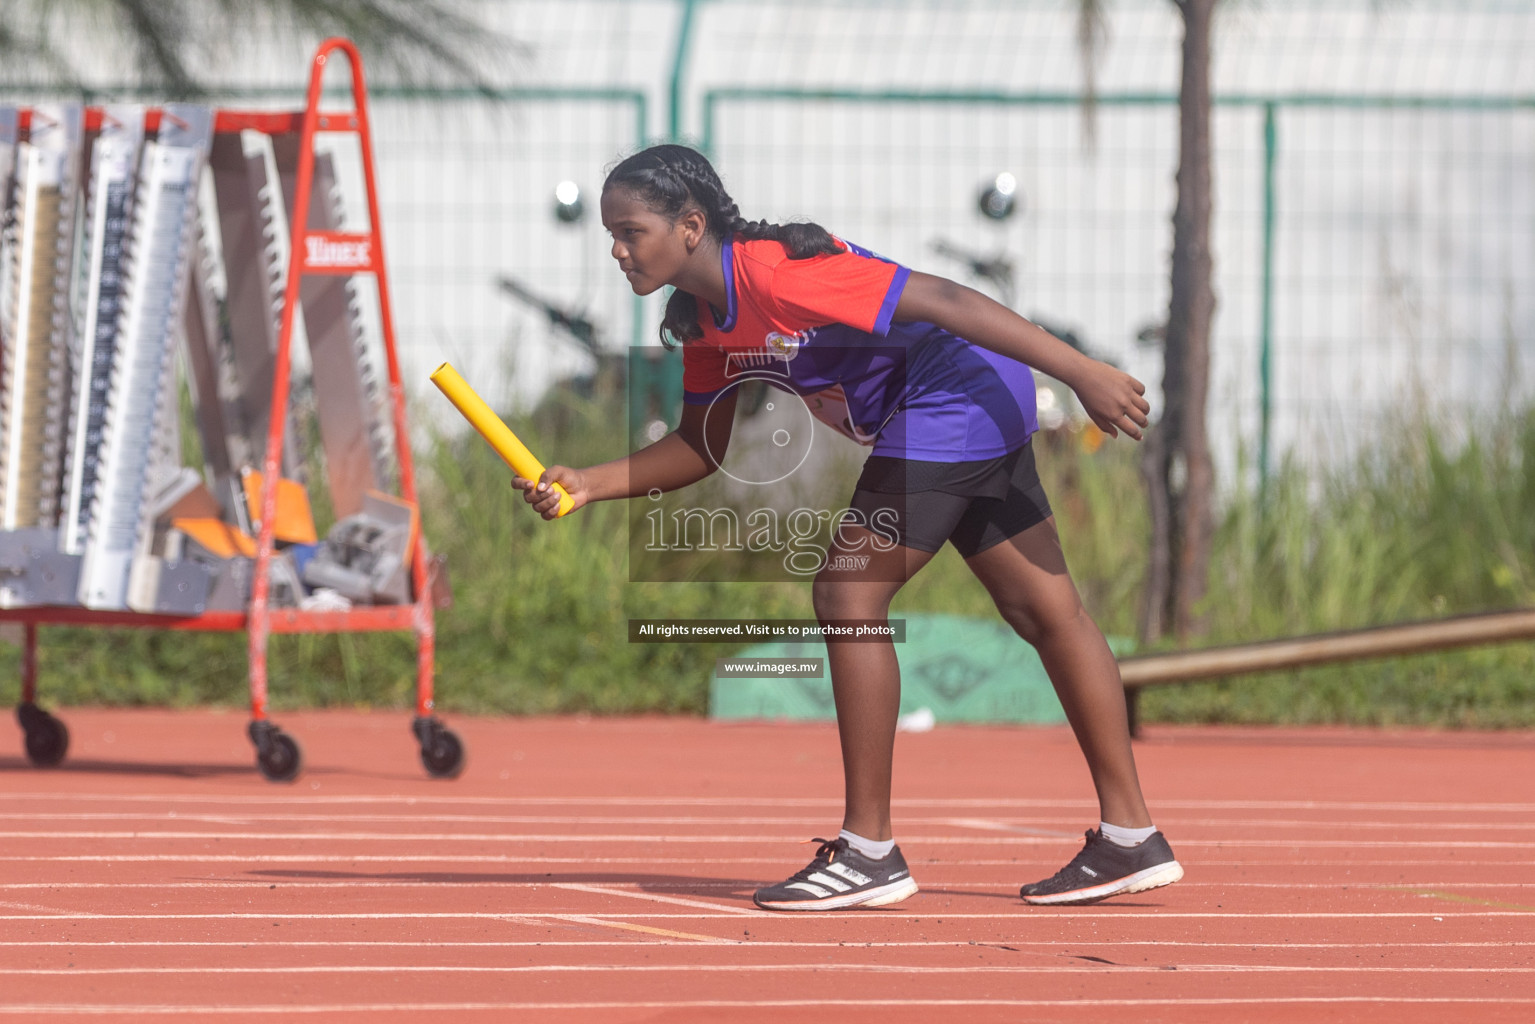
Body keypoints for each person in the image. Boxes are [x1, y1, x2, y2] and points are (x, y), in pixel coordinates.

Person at [515, 143, 1182, 912]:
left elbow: (946, 300)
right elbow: (700, 446)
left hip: (954, 393)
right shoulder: (705, 321)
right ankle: (1131, 834)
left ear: (690, 227)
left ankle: (868, 852)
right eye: (611, 232)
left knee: (846, 595)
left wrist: (1080, 370)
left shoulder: (772, 271)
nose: (616, 248)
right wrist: (588, 484)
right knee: (1044, 610)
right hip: (969, 400)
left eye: (630, 230)